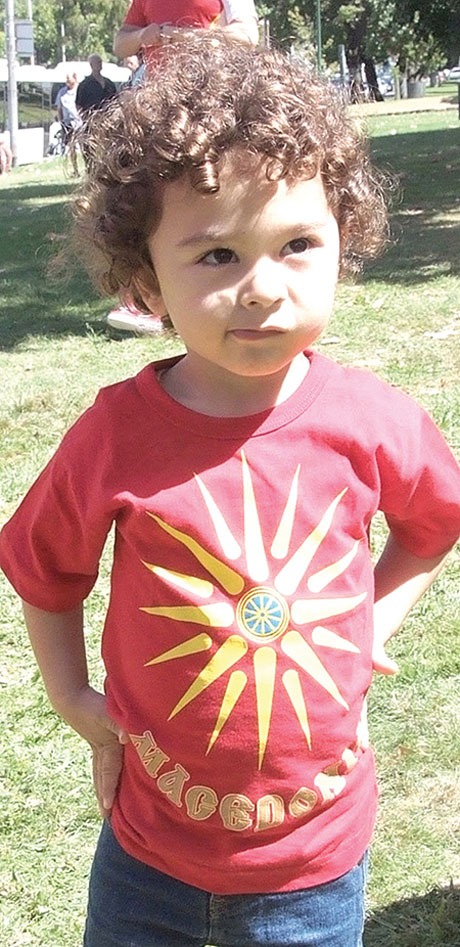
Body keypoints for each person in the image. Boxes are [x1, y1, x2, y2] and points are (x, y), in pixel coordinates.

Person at [1, 37, 460, 947]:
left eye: (298, 245)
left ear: (344, 240)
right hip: (147, 856)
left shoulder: (372, 421)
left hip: (313, 865)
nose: (262, 289)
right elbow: (44, 568)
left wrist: (373, 622)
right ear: (147, 283)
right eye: (216, 255)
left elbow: (434, 521)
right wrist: (74, 700)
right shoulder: (114, 435)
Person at [114, 0, 259, 70]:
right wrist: (141, 35)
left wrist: (186, 36)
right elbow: (119, 46)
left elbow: (248, 36)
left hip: (211, 94)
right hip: (158, 99)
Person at [55, 72, 81, 175]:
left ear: (75, 79)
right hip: (67, 123)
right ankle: (75, 170)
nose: (67, 82)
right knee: (71, 146)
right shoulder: (62, 92)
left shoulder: (80, 90)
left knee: (84, 145)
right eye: (66, 80)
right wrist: (60, 121)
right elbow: (59, 108)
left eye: (69, 80)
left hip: (80, 122)